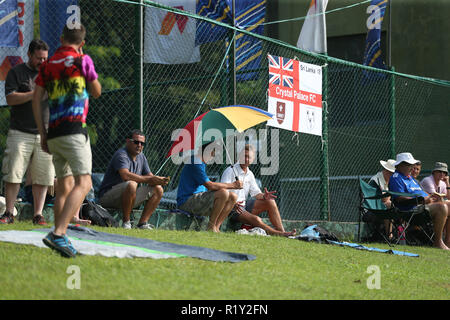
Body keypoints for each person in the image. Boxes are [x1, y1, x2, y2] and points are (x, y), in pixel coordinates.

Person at [32, 24, 102, 258]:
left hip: (54, 132)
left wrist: (42, 133)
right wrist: (84, 62)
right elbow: (96, 91)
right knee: (85, 183)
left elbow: (36, 99)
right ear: (81, 43)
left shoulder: (48, 64)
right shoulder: (83, 61)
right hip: (74, 130)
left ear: (61, 38)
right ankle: (59, 233)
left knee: (64, 185)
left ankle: (59, 236)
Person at [0, 39, 55, 226]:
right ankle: (9, 212)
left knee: (43, 175)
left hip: (45, 133)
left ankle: (38, 215)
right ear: (29, 55)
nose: (42, 62)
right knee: (14, 173)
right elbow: (10, 98)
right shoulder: (17, 72)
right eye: (39, 58)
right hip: (20, 132)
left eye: (45, 58)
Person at [98, 129, 170, 229]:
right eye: (136, 142)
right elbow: (125, 175)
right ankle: (126, 223)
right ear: (128, 141)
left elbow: (150, 177)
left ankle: (142, 224)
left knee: (158, 189)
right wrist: (150, 179)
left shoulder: (142, 157)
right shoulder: (121, 154)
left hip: (128, 197)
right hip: (107, 197)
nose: (139, 145)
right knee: (132, 184)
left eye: (142, 143)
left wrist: (158, 180)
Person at [220, 144, 295, 237]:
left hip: (244, 206)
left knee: (270, 201)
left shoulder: (250, 174)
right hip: (232, 208)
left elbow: (256, 193)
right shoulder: (230, 170)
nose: (246, 159)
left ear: (253, 159)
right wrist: (233, 203)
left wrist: (264, 196)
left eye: (249, 157)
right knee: (257, 219)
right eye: (244, 156)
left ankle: (282, 231)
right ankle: (278, 234)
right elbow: (222, 191)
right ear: (240, 156)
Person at [177, 142, 243, 233]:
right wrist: (233, 185)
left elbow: (207, 189)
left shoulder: (201, 163)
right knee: (223, 193)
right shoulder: (195, 162)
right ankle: (211, 227)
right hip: (187, 201)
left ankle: (216, 227)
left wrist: (229, 201)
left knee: (233, 197)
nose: (213, 155)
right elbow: (210, 185)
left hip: (198, 200)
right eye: (213, 152)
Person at [388, 152, 450, 250]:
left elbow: (422, 193)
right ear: (401, 165)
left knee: (448, 204)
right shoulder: (396, 178)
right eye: (409, 165)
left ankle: (448, 241)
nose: (412, 167)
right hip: (411, 211)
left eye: (412, 164)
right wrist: (420, 200)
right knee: (441, 207)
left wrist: (431, 198)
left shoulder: (410, 178)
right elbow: (399, 198)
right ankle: (438, 242)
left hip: (422, 205)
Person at [368, 159, 396, 238]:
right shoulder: (376, 180)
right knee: (390, 205)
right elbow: (383, 199)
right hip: (371, 208)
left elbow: (387, 198)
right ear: (387, 171)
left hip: (382, 207)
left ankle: (401, 235)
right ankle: (389, 236)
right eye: (392, 173)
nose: (393, 175)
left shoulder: (390, 181)